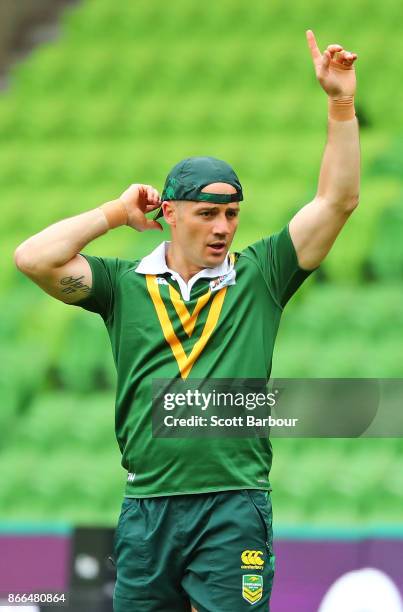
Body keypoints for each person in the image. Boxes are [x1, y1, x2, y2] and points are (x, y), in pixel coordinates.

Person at [14, 30, 359, 612]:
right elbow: (33, 258)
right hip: (147, 507)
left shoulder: (262, 274)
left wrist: (340, 104)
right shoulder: (124, 286)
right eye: (207, 214)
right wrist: (116, 213)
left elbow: (337, 201)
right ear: (169, 214)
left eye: (231, 213)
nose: (223, 227)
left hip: (233, 506)